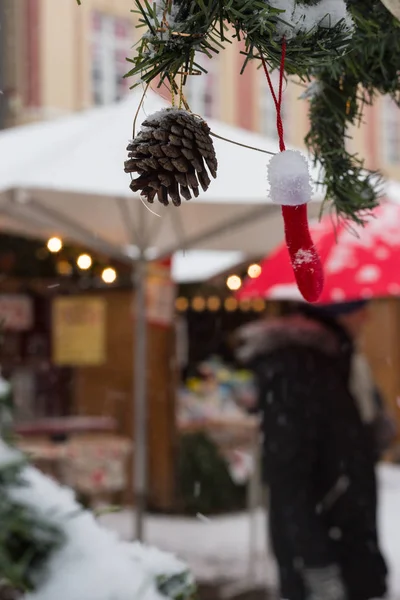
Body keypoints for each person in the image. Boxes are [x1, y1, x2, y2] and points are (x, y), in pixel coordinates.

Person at [235, 300, 388, 600]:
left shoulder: (337, 362)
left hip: (348, 547)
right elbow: (289, 480)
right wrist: (320, 569)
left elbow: (342, 446)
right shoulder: (298, 370)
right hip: (326, 557)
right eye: (358, 308)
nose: (367, 317)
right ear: (335, 312)